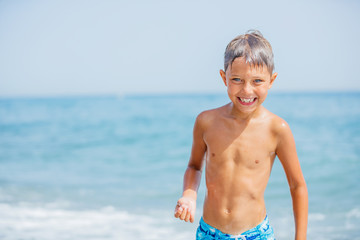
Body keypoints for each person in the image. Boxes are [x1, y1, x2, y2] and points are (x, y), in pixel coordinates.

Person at [174, 30, 308, 240]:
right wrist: (189, 195)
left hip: (256, 234)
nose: (246, 90)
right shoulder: (206, 122)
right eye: (236, 79)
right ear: (223, 77)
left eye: (257, 81)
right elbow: (194, 166)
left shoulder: (277, 129)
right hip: (210, 233)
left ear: (271, 80)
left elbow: (297, 185)